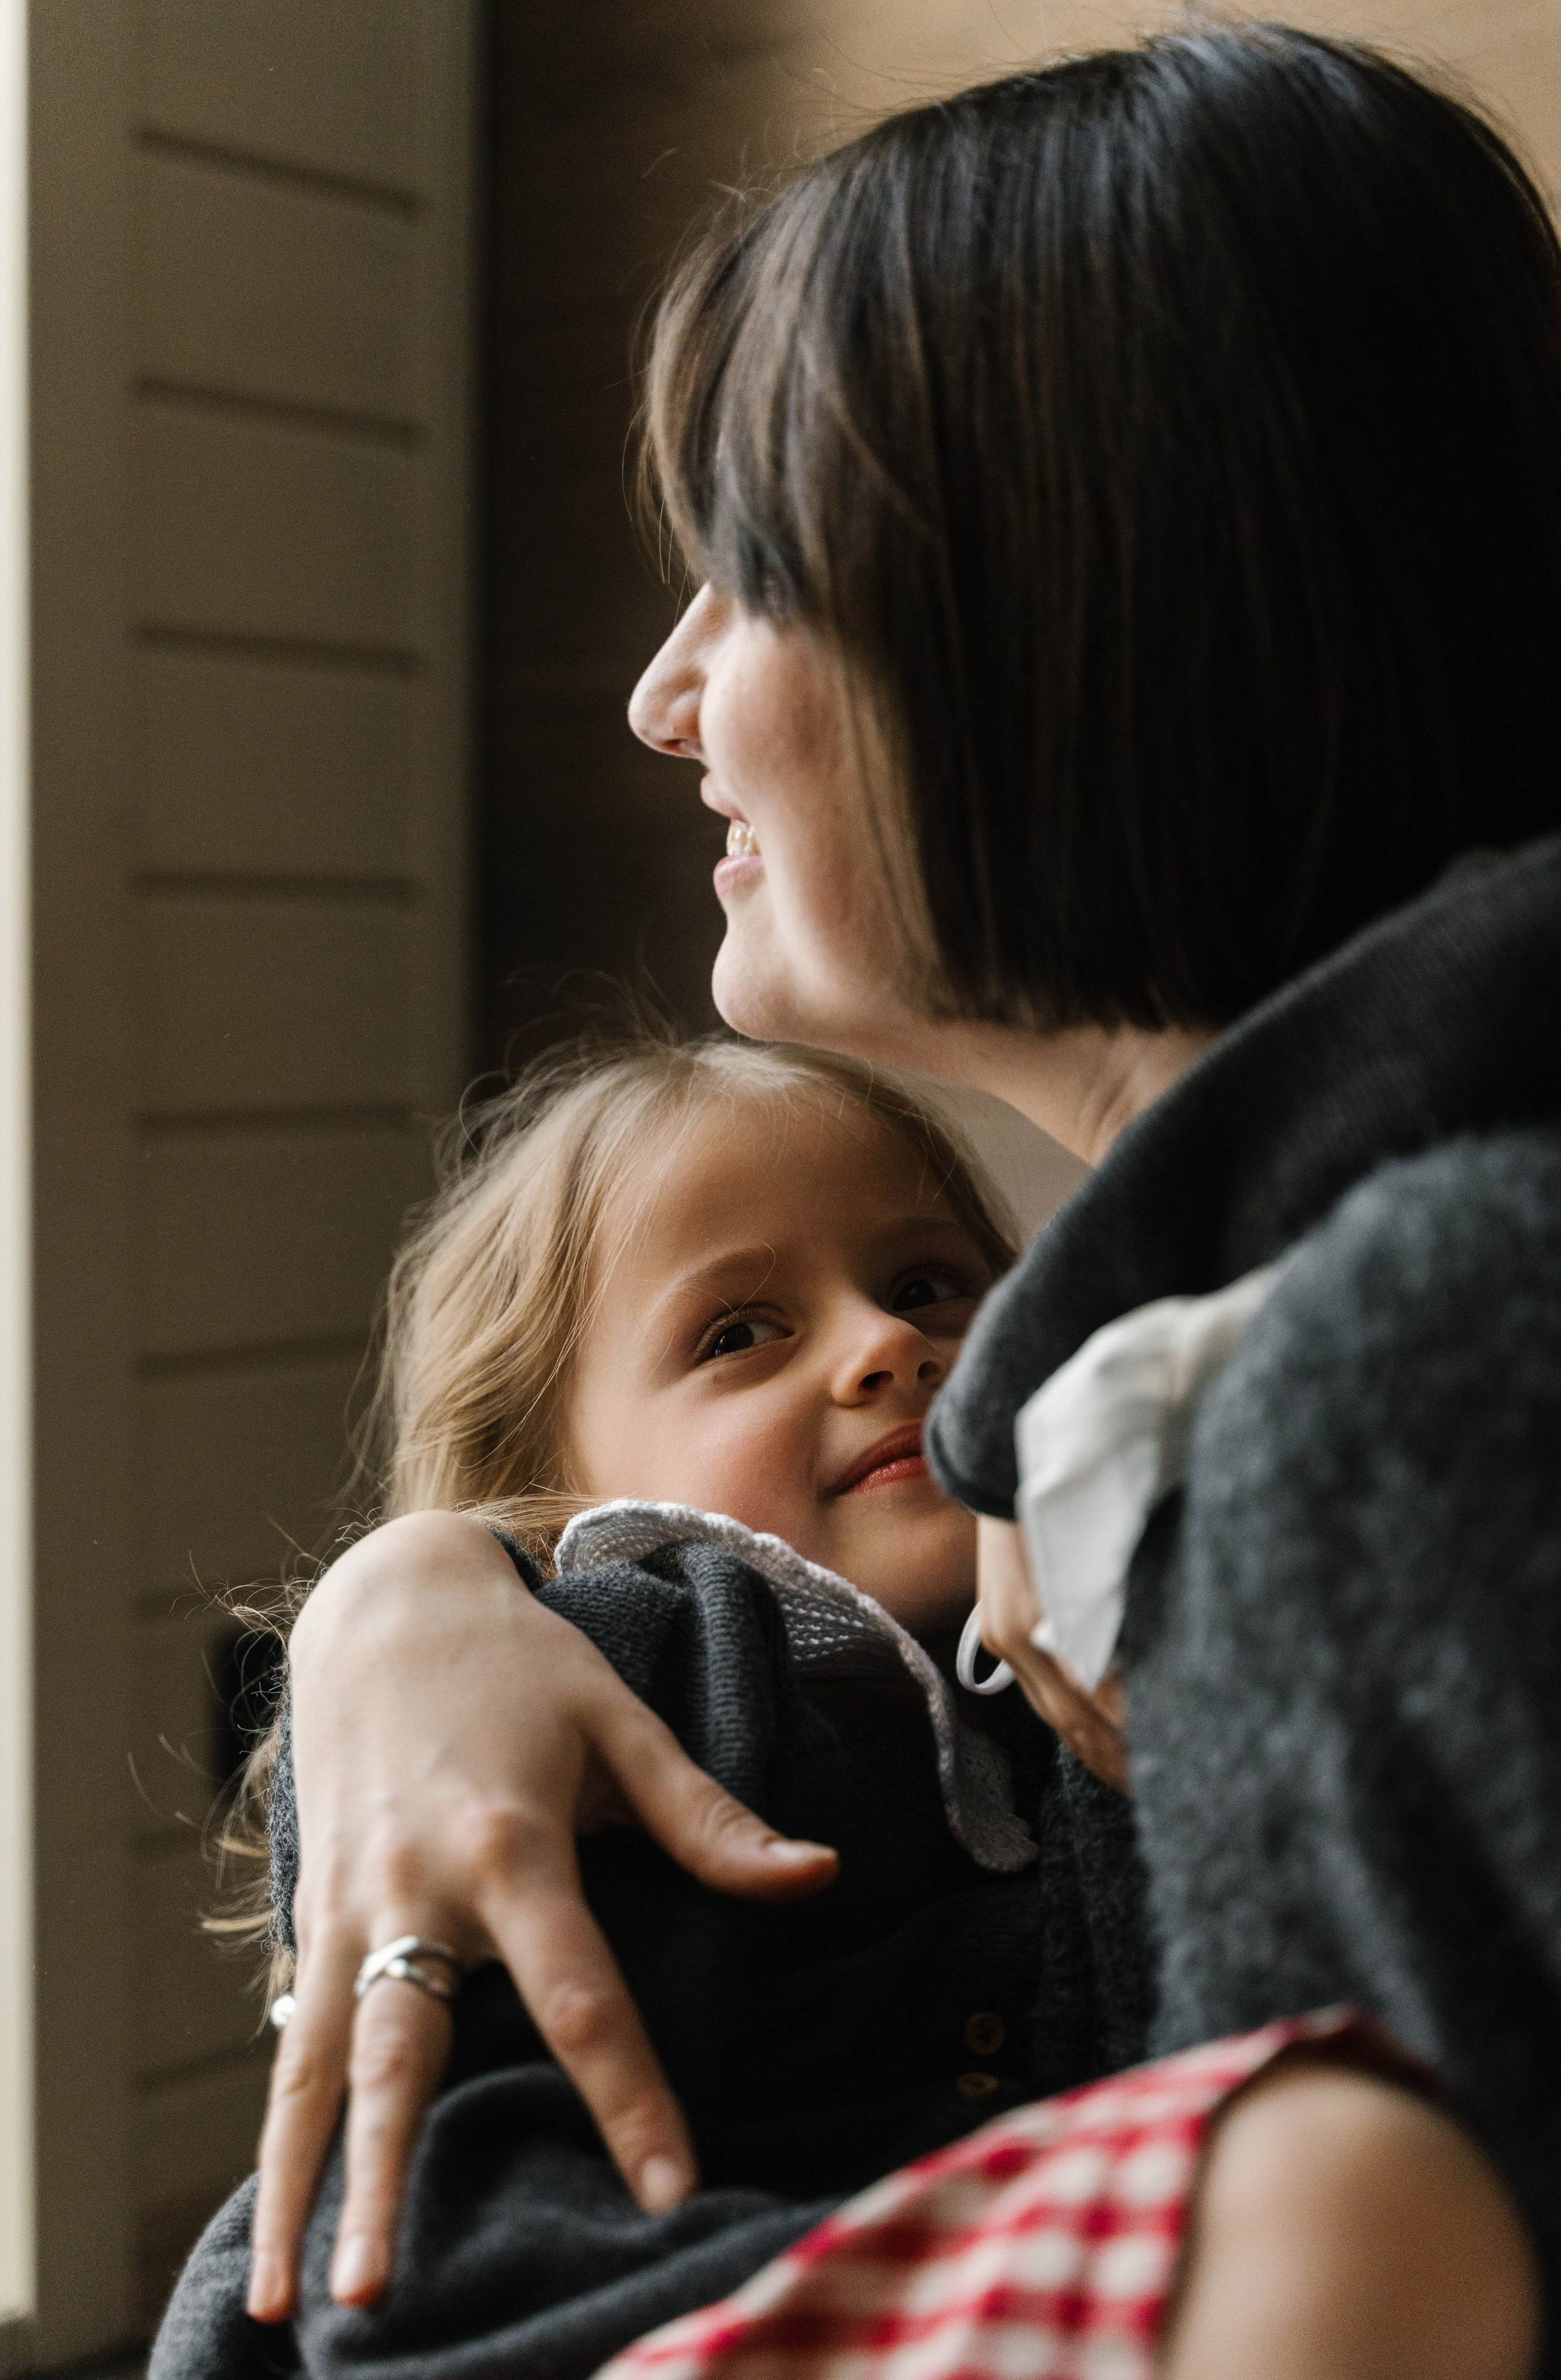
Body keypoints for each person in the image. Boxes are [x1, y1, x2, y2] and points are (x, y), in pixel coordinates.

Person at [236, 23, 1561, 2376]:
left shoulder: (1422, 1356)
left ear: (1058, 604)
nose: (667, 695)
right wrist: (421, 1589)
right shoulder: (1181, 1424)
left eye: (747, 572)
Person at [153, 1032, 1148, 2379]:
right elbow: (433, 2265)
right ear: (554, 1494)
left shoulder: (1055, 1669)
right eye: (739, 1333)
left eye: (927, 1283)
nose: (887, 1345)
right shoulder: (625, 1672)